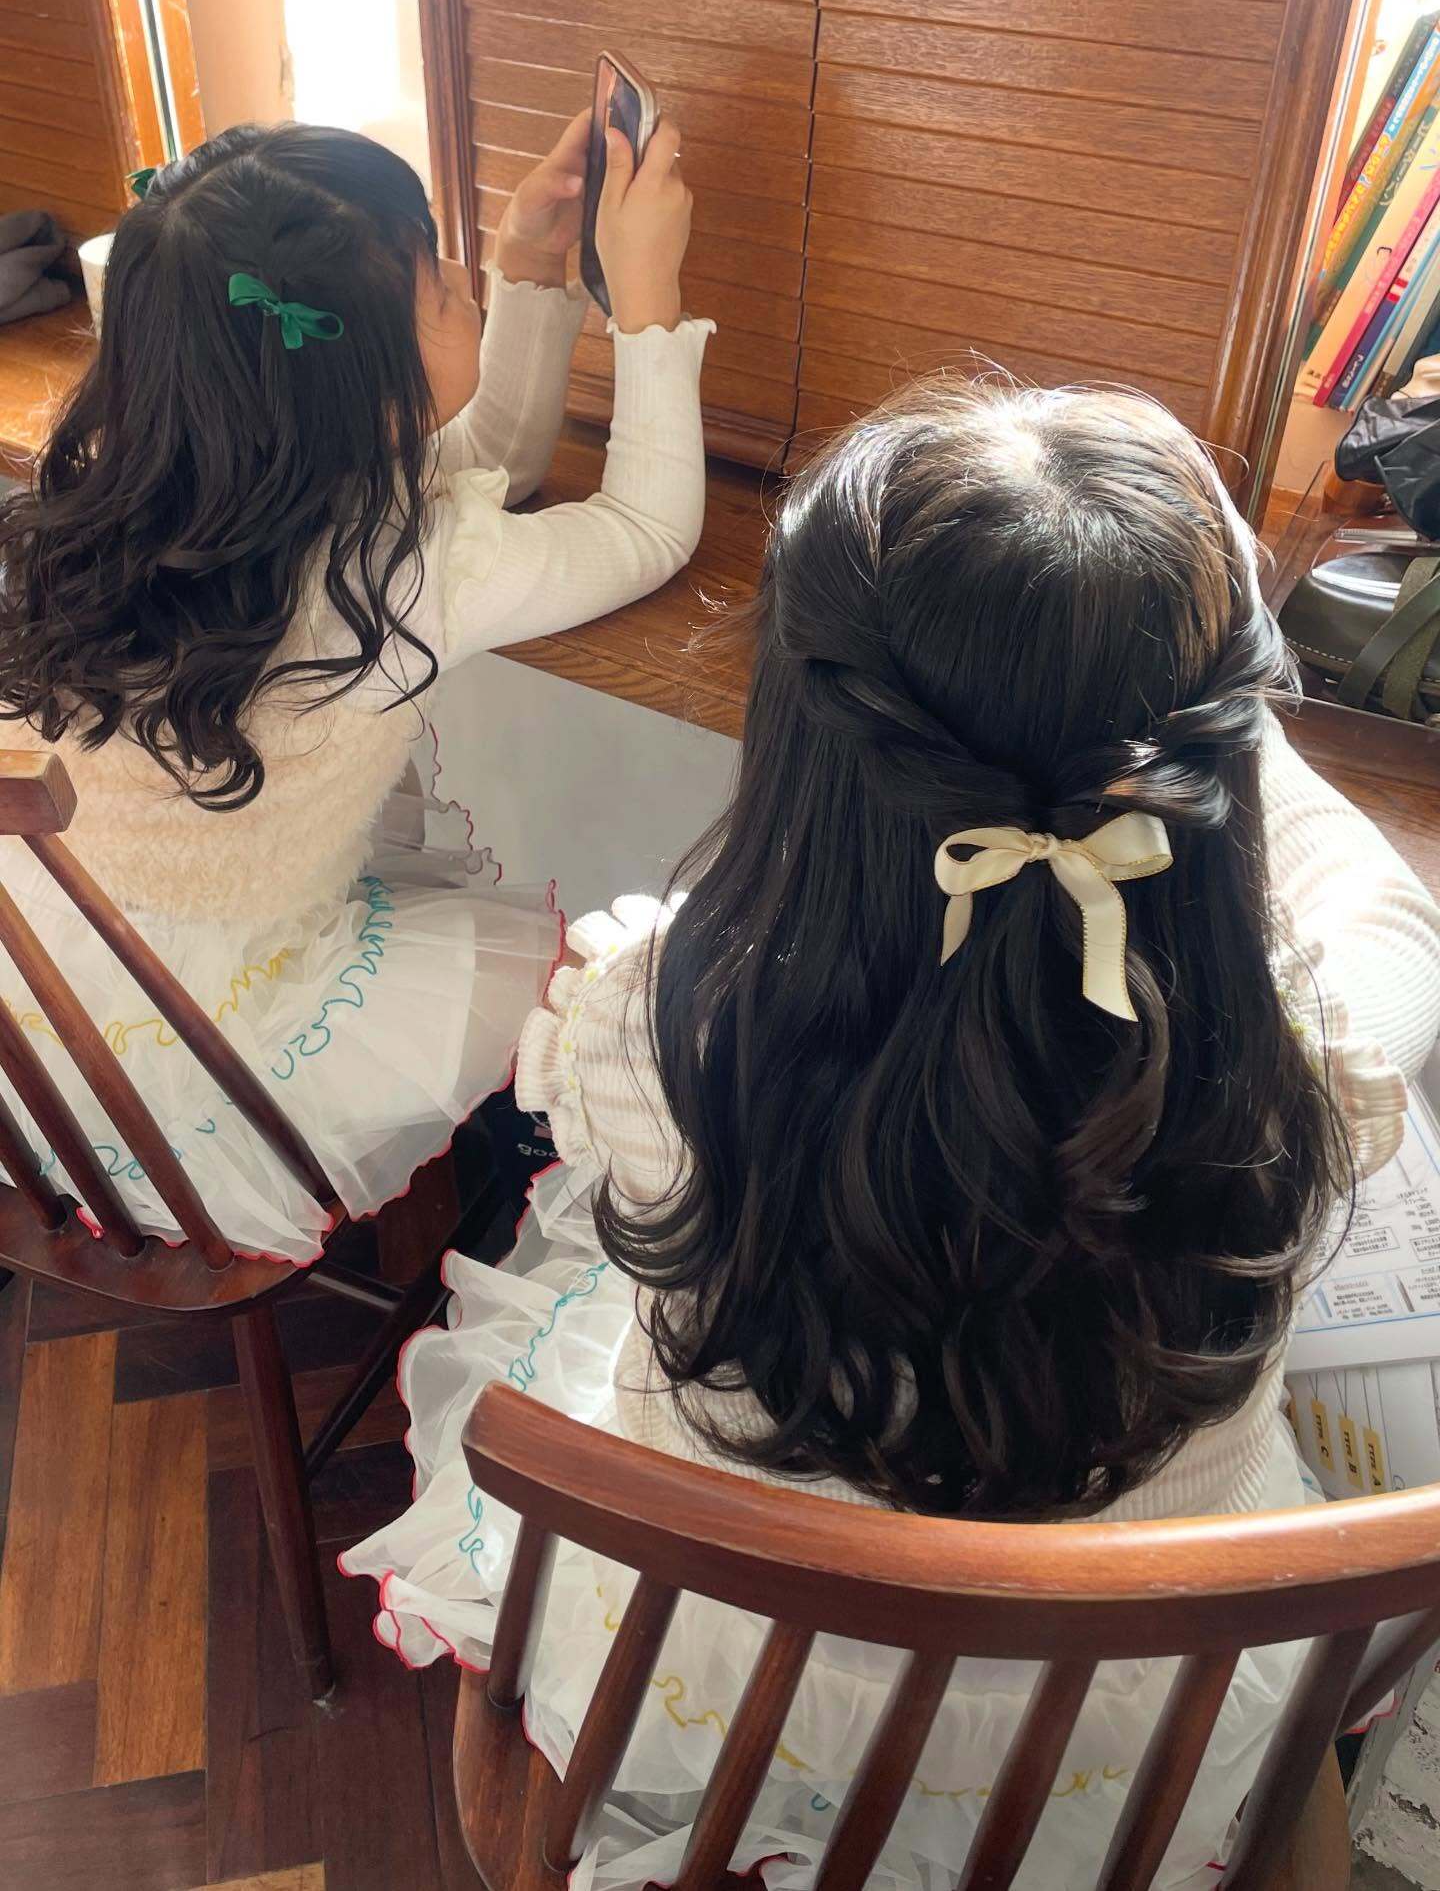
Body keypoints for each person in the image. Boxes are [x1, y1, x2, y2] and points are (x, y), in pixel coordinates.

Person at [347, 380, 1440, 1889]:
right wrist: (1187, 685)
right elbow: (1389, 911)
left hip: (721, 1671)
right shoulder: (1305, 1064)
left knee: (590, 1274)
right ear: (1206, 762)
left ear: (804, 739)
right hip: (1120, 1723)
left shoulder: (648, 1018)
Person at [0, 116, 709, 1260]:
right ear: (363, 390)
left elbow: (486, 460)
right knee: (597, 992)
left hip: (48, 1013)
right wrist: (648, 297)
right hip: (211, 1055)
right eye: (441, 282)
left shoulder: (151, 484)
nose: (462, 281)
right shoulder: (399, 575)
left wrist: (530, 271)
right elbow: (645, 527)